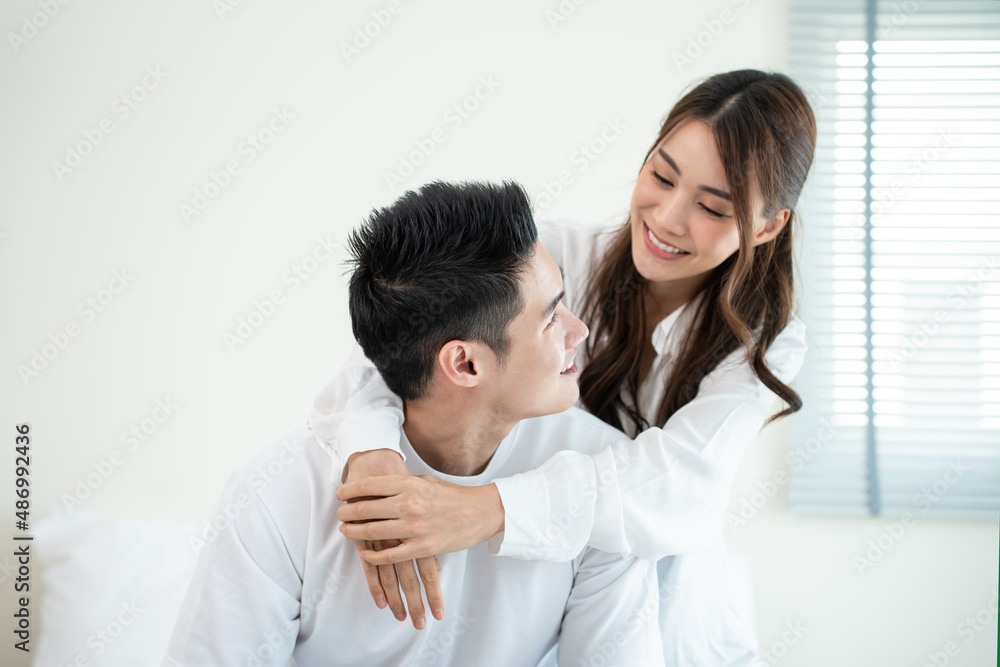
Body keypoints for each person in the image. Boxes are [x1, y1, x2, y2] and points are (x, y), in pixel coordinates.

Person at [332, 69, 817, 665]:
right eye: (661, 176)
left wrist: (494, 509)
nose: (667, 218)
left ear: (767, 226)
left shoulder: (764, 341)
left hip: (667, 607)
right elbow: (398, 341)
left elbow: (685, 486)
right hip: (528, 587)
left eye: (712, 208)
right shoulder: (555, 258)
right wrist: (372, 449)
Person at [164, 181, 663, 667]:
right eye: (552, 316)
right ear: (464, 364)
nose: (580, 330)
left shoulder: (603, 488)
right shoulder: (276, 497)